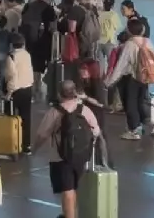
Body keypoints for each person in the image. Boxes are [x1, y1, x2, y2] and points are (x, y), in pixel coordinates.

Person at [31, 81, 101, 218]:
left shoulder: (55, 112)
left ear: (59, 94)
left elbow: (42, 134)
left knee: (67, 190)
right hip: (81, 157)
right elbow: (96, 131)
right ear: (74, 92)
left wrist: (34, 149)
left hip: (60, 157)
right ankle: (69, 214)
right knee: (72, 188)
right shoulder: (84, 110)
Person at [104, 19, 154, 140]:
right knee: (140, 100)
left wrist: (110, 81)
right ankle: (145, 121)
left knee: (130, 103)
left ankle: (133, 130)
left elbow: (121, 66)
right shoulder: (147, 41)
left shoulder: (130, 44)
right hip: (144, 77)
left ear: (129, 30)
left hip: (132, 77)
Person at [3, 34, 35, 154]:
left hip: (16, 91)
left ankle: (10, 144)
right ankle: (26, 146)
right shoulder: (27, 55)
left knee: (9, 118)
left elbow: (12, 76)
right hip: (27, 89)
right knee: (26, 118)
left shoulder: (11, 57)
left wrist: (9, 93)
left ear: (12, 45)